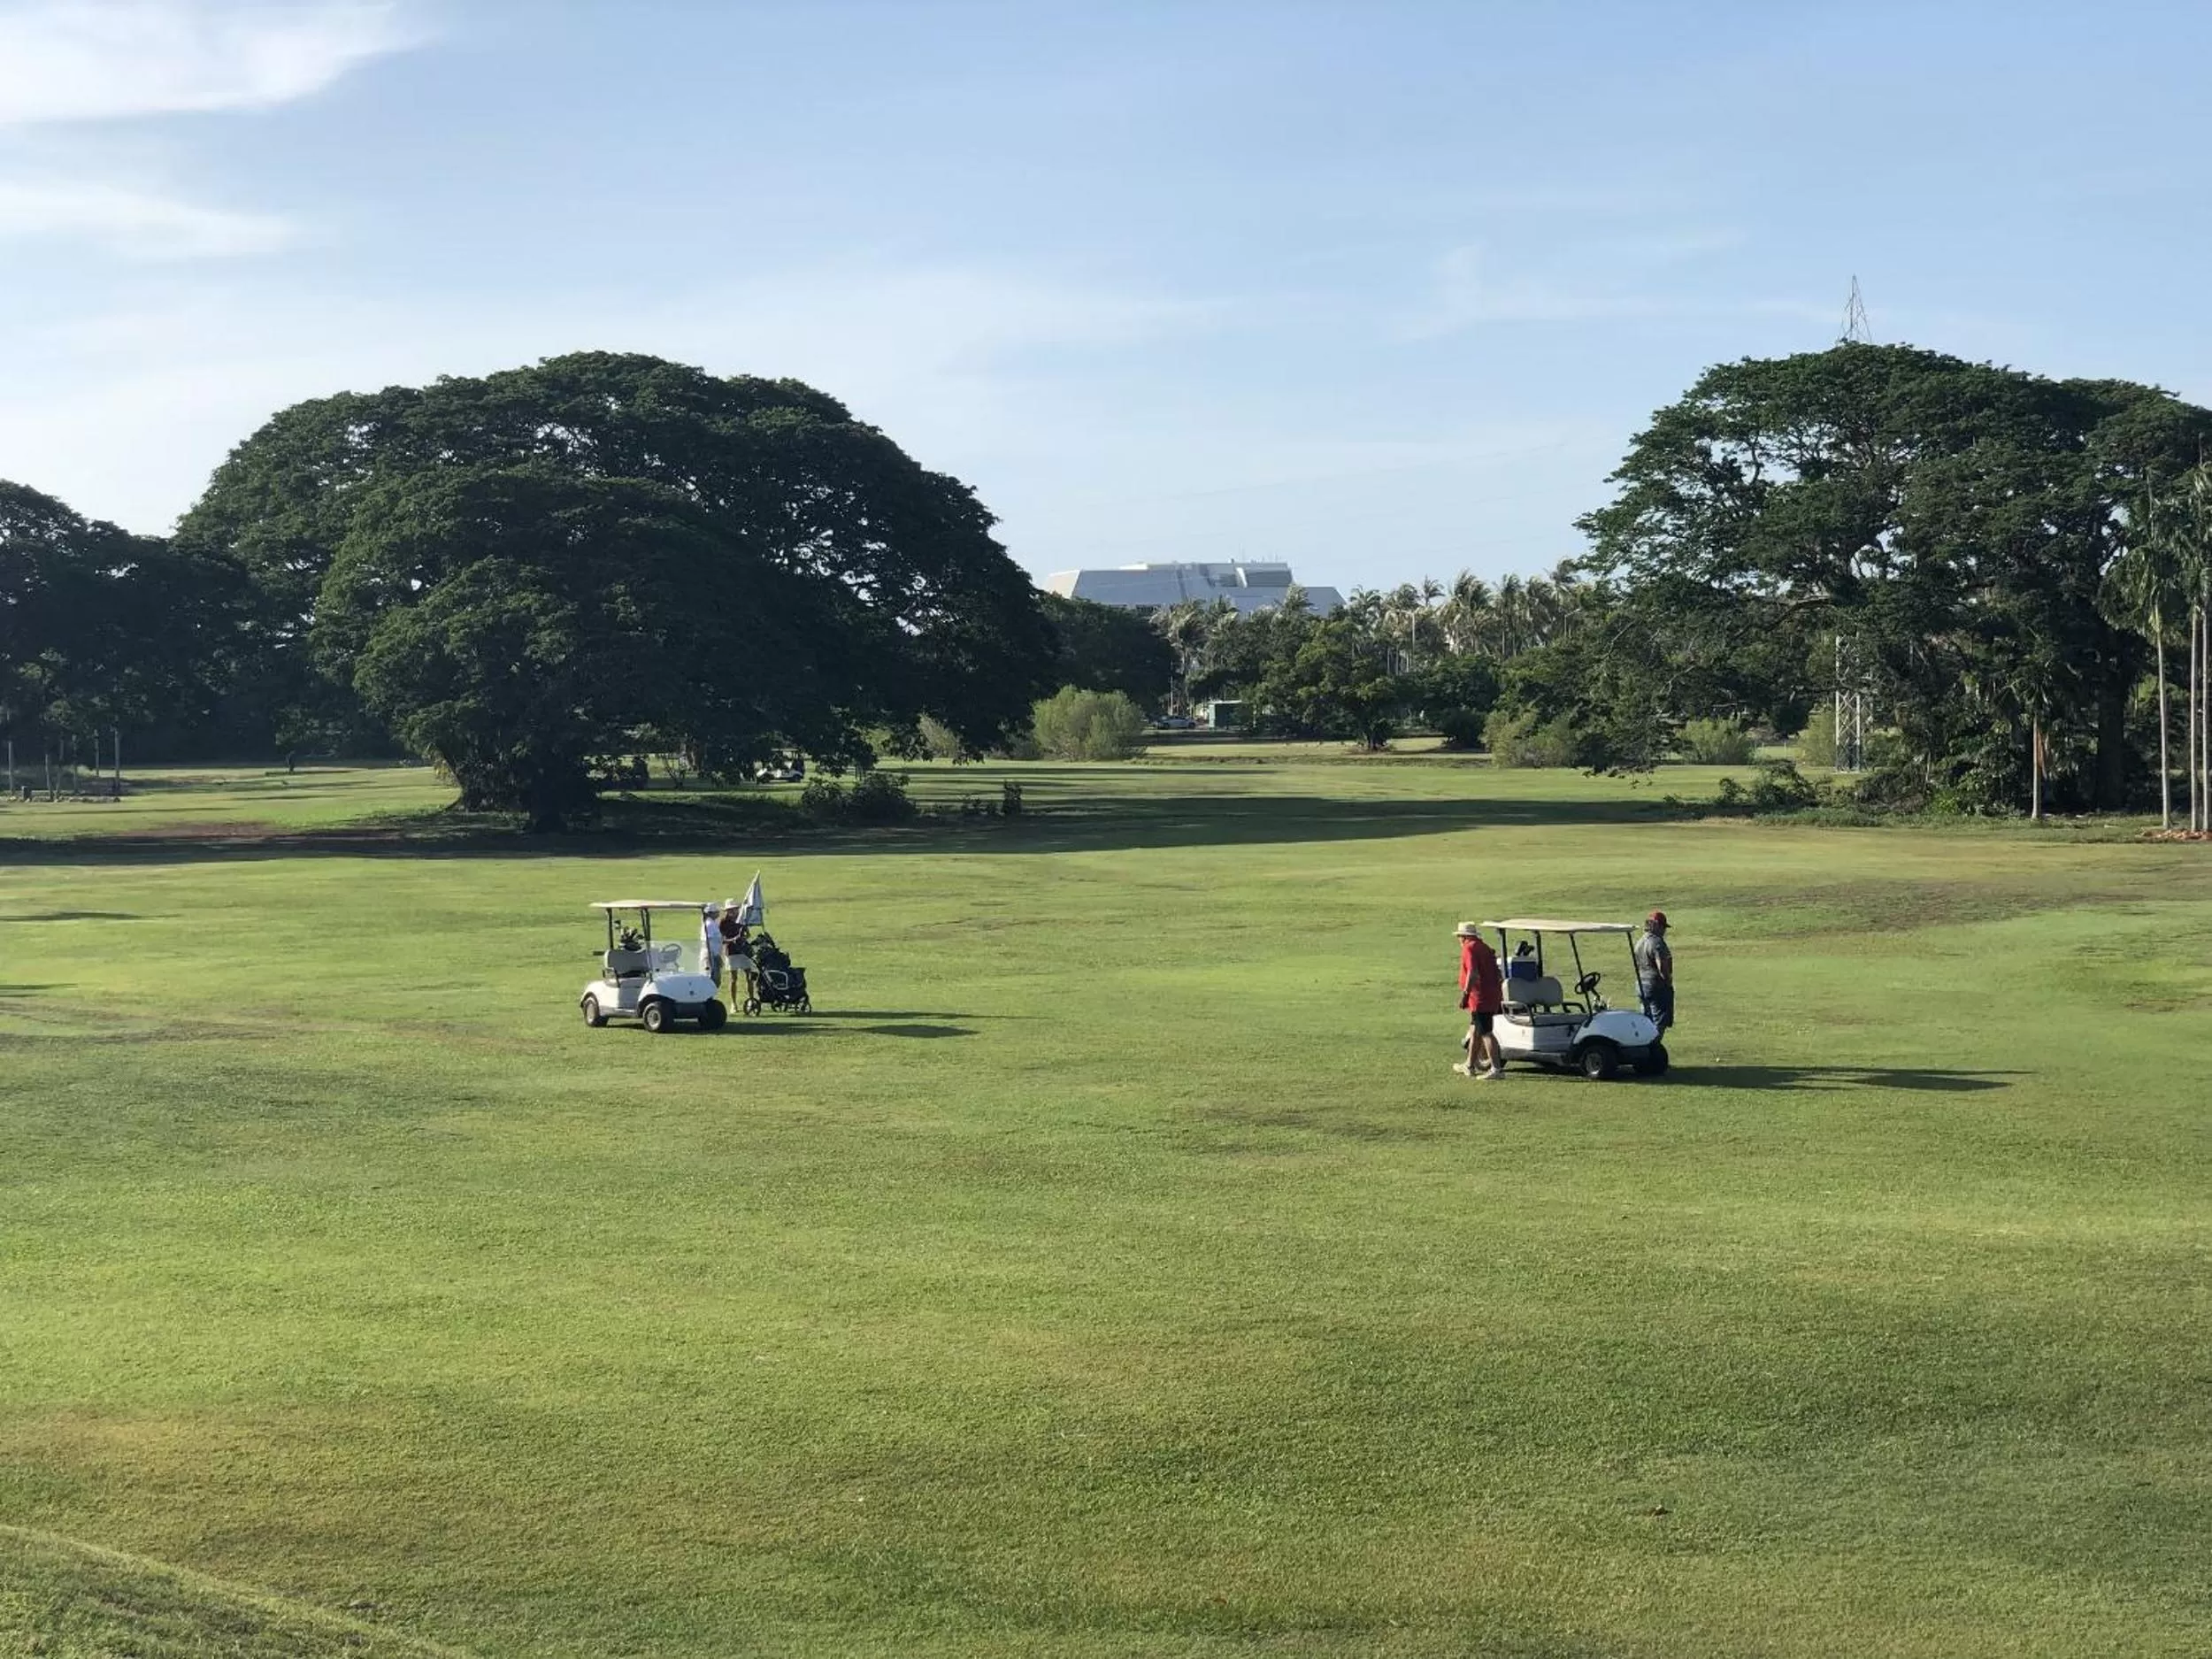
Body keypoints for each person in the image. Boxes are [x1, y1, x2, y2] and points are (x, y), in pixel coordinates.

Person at [1455, 922, 1506, 1079]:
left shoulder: (1469, 948)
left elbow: (1473, 972)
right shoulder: (1484, 947)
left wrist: (1465, 994)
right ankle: (1469, 1065)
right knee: (1476, 1030)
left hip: (1480, 997)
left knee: (1486, 1032)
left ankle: (1496, 1069)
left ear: (1464, 937)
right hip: (1490, 995)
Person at [1633, 910, 1674, 1034]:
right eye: (1662, 926)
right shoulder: (1657, 942)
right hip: (1656, 986)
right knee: (1659, 1023)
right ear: (1655, 925)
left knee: (1646, 1020)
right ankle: (1653, 1048)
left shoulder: (1640, 942)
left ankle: (1644, 1045)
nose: (1663, 931)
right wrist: (1668, 981)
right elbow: (1661, 966)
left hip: (1641, 985)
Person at [718, 902, 754, 1009]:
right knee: (734, 978)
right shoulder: (723, 923)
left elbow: (748, 934)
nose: (733, 912)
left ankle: (751, 1000)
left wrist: (744, 937)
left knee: (749, 976)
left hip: (744, 951)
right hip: (731, 952)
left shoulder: (741, 920)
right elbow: (721, 940)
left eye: (735, 909)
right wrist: (732, 940)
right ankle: (734, 1004)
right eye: (730, 910)